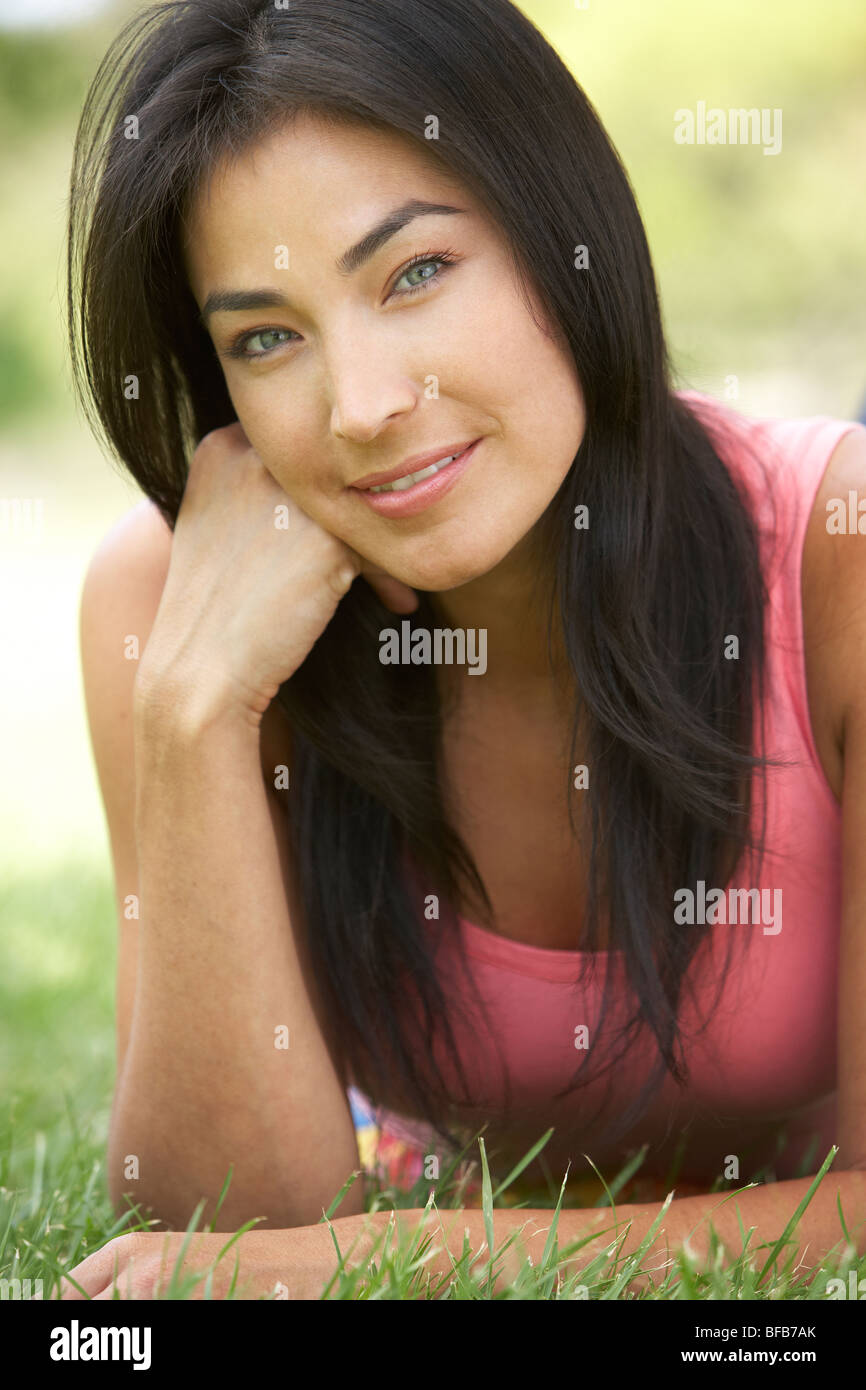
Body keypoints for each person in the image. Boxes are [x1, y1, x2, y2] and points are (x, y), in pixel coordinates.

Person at [62, 0, 866, 1299]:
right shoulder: (170, 601)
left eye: (415, 273)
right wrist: (197, 711)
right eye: (265, 337)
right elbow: (226, 1231)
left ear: (565, 238)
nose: (365, 406)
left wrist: (418, 1250)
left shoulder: (838, 551)